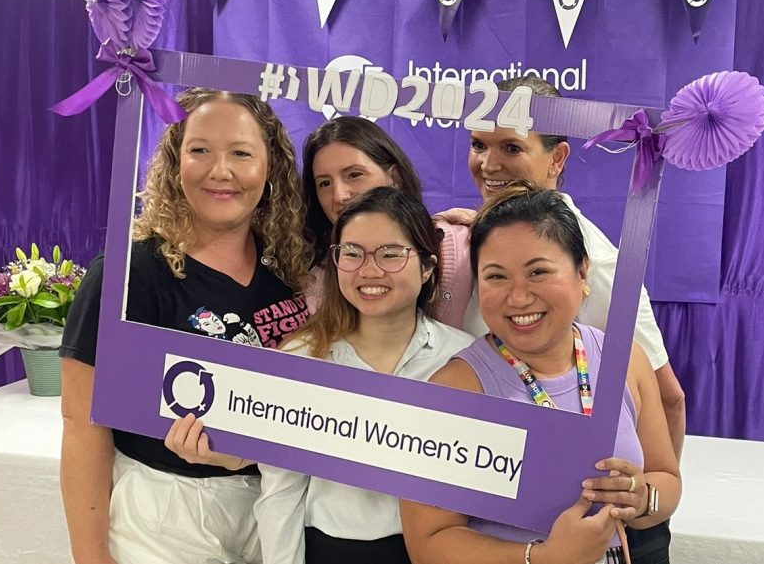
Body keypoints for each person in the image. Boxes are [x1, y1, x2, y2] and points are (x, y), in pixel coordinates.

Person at [59, 88, 313, 564]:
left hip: (275, 511)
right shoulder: (130, 271)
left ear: (270, 167)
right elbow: (80, 423)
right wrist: (91, 557)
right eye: (200, 150)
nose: (221, 171)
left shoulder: (288, 273)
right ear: (176, 161)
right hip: (165, 515)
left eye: (241, 153)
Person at [401, 183, 680, 564]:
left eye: (538, 272)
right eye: (496, 277)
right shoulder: (454, 390)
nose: (518, 297)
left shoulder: (625, 360)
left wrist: (642, 497)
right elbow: (428, 543)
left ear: (582, 272)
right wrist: (543, 556)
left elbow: (667, 480)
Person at [450, 76, 686, 461]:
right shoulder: (463, 239)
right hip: (478, 467)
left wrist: (650, 507)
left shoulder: (600, 262)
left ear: (557, 159)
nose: (489, 164)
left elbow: (666, 397)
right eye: (479, 145)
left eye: (511, 147)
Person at [252, 186, 474, 564]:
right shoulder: (303, 356)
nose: (370, 270)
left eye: (390, 254)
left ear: (427, 266)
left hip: (436, 551)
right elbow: (280, 491)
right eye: (352, 254)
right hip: (328, 550)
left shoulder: (467, 360)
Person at [302, 116, 471, 326]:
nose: (339, 195)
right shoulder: (315, 281)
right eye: (324, 183)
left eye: (354, 175)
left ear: (395, 178)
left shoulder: (463, 246)